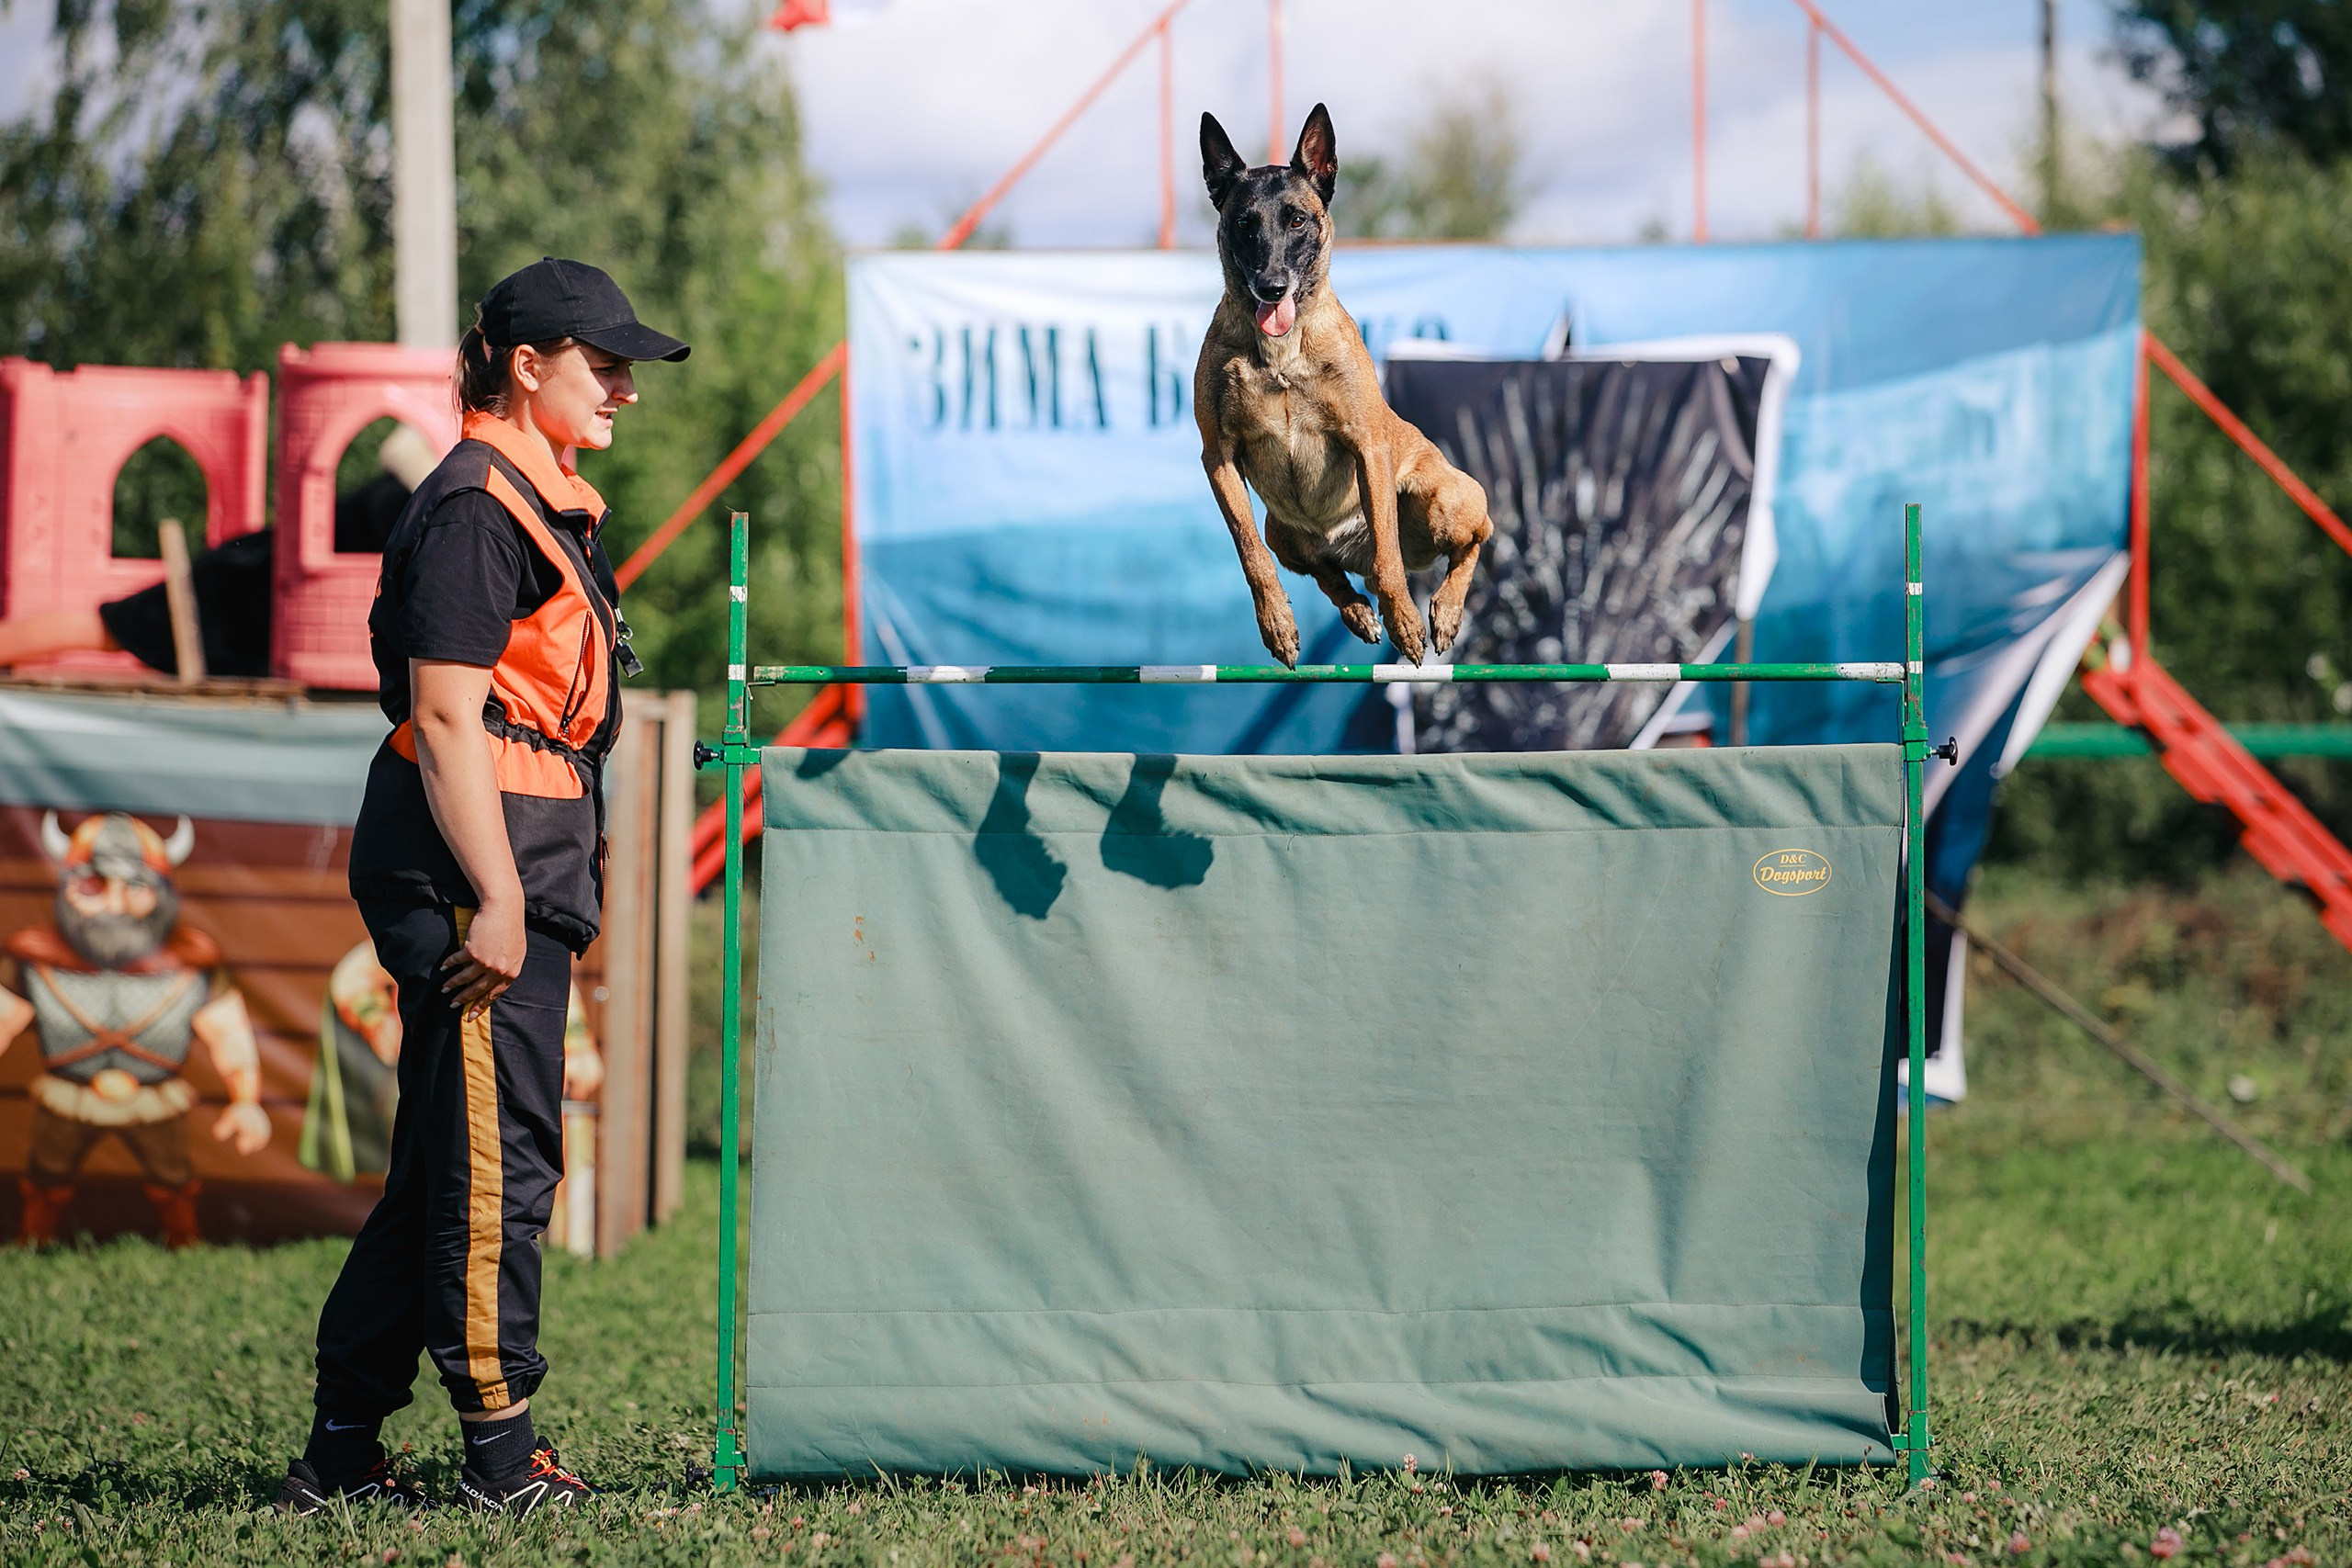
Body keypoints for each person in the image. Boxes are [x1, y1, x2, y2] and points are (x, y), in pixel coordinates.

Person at [272, 258, 686, 1517]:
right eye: (601, 361)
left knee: (444, 1167)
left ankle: (342, 1454)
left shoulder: (530, 499)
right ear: (526, 362)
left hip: (507, 852)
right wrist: (497, 897)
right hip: (471, 867)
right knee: (498, 1170)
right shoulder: (471, 509)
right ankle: (503, 1463)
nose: (623, 386)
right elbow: (450, 724)